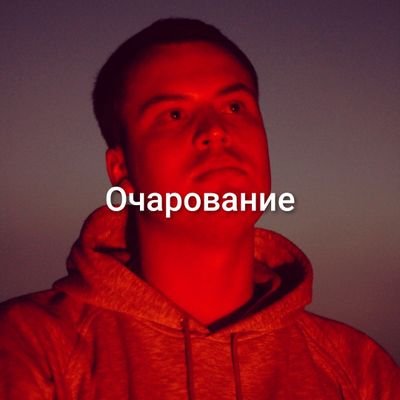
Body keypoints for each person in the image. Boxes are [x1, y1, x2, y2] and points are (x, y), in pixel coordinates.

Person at [0, 18, 398, 400]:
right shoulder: (29, 347)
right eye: (173, 114)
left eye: (235, 107)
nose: (215, 130)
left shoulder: (359, 371)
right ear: (121, 169)